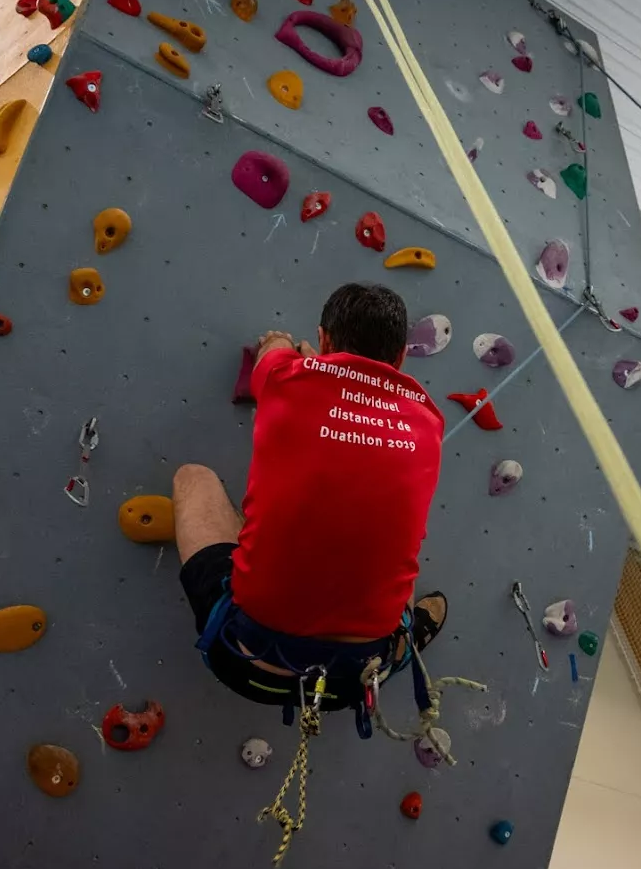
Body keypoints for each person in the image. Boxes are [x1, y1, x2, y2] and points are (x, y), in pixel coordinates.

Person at [173, 283, 447, 734]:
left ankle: (254, 547)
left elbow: (271, 348)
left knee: (192, 479)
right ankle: (408, 636)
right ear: (399, 358)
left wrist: (285, 348)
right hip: (354, 680)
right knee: (384, 535)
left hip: (246, 658)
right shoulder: (428, 419)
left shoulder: (287, 376)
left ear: (322, 340)